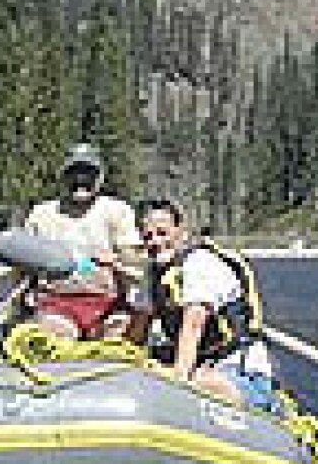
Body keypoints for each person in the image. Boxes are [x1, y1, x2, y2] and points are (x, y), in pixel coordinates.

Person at [135, 198, 283, 415]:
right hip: (200, 361)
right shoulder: (154, 274)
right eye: (148, 236)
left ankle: (263, 404)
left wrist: (178, 380)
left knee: (198, 382)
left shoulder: (200, 265)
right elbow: (139, 325)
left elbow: (194, 325)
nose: (155, 242)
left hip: (237, 368)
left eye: (162, 233)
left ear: (180, 231)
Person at [21, 143, 146, 340]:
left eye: (88, 173)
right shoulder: (41, 215)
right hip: (57, 305)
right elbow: (23, 269)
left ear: (99, 177)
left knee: (119, 339)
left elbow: (137, 266)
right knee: (52, 339)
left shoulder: (117, 211)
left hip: (108, 305)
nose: (80, 179)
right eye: (74, 173)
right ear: (63, 176)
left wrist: (114, 262)